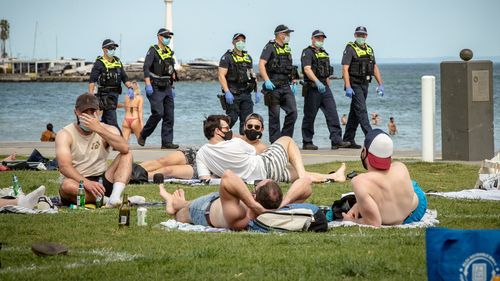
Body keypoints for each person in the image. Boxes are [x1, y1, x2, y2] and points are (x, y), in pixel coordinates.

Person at [195, 115, 346, 183]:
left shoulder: (201, 153)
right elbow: (254, 152)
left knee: (293, 173)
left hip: (256, 179)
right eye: (226, 128)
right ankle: (303, 177)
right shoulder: (235, 142)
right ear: (217, 131)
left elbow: (205, 179)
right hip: (265, 168)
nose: (229, 130)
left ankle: (333, 177)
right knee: (286, 140)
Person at [159, 170, 313, 230]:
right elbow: (306, 182)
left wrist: (252, 205)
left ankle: (171, 204)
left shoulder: (241, 213)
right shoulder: (275, 207)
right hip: (221, 200)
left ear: (254, 195)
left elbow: (227, 176)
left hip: (203, 210)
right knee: (183, 202)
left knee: (178, 212)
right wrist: (284, 203)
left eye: (257, 184)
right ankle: (176, 201)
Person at [56, 93, 132, 207]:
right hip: (77, 182)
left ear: (99, 112)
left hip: (102, 182)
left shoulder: (107, 129)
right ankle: (108, 200)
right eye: (84, 113)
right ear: (76, 112)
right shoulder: (65, 134)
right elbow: (64, 167)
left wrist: (99, 129)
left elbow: (124, 148)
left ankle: (115, 196)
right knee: (67, 186)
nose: (89, 116)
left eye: (92, 112)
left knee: (127, 154)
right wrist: (86, 183)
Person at [139, 113, 267, 180]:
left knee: (169, 170)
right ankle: (131, 169)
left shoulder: (262, 149)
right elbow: (213, 134)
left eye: (256, 127)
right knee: (163, 161)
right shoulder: (235, 136)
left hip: (210, 167)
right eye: (249, 126)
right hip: (199, 153)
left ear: (262, 129)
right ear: (244, 126)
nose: (252, 129)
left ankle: (136, 177)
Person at [341, 129, 427, 227]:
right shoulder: (400, 167)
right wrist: (358, 204)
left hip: (392, 217)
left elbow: (374, 223)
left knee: (379, 189)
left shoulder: (359, 182)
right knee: (409, 184)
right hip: (416, 210)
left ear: (364, 152)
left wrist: (350, 221)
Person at [300, 30, 350, 150]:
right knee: (310, 115)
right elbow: (307, 69)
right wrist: (316, 81)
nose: (320, 40)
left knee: (332, 112)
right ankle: (307, 142)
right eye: (318, 38)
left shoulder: (324, 53)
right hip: (312, 87)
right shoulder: (307, 52)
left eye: (322, 38)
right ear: (312, 38)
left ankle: (336, 140)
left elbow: (326, 71)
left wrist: (327, 83)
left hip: (325, 88)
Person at [341, 26, 384, 149]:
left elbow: (374, 67)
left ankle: (348, 139)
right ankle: (371, 138)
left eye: (363, 35)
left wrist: (380, 84)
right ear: (355, 35)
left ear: (366, 36)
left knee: (355, 112)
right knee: (362, 110)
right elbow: (345, 68)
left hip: (365, 84)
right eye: (358, 35)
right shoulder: (350, 49)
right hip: (354, 84)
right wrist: (348, 86)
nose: (361, 37)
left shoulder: (369, 49)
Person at [138, 28, 179, 149]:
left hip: (167, 87)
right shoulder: (153, 51)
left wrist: (172, 86)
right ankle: (144, 134)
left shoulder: (169, 52)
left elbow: (171, 70)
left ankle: (166, 143)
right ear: (159, 37)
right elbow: (146, 68)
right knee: (158, 113)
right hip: (154, 86)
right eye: (166, 37)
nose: (168, 39)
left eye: (169, 37)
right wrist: (148, 85)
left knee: (169, 115)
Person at [259, 24, 299, 143]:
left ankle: (285, 139)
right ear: (280, 34)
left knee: (293, 112)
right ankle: (275, 142)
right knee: (274, 116)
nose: (288, 36)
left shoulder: (287, 48)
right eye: (287, 34)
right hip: (273, 85)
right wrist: (266, 80)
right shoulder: (270, 47)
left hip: (286, 85)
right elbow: (261, 64)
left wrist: (293, 80)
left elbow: (290, 66)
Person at [218, 33, 260, 134]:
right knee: (232, 118)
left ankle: (244, 142)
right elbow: (221, 75)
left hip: (246, 93)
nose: (240, 43)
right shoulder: (227, 57)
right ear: (233, 42)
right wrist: (227, 92)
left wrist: (256, 91)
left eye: (242, 41)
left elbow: (252, 75)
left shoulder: (248, 57)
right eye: (238, 41)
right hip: (232, 93)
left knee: (247, 120)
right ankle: (220, 136)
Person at [88, 39, 133, 131]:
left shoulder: (118, 62)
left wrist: (130, 87)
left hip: (115, 95)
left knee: (105, 120)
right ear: (105, 49)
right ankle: (119, 142)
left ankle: (104, 141)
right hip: (104, 95)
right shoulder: (99, 63)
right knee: (112, 121)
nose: (113, 50)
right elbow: (92, 80)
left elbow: (124, 77)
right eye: (111, 48)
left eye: (114, 48)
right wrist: (91, 95)